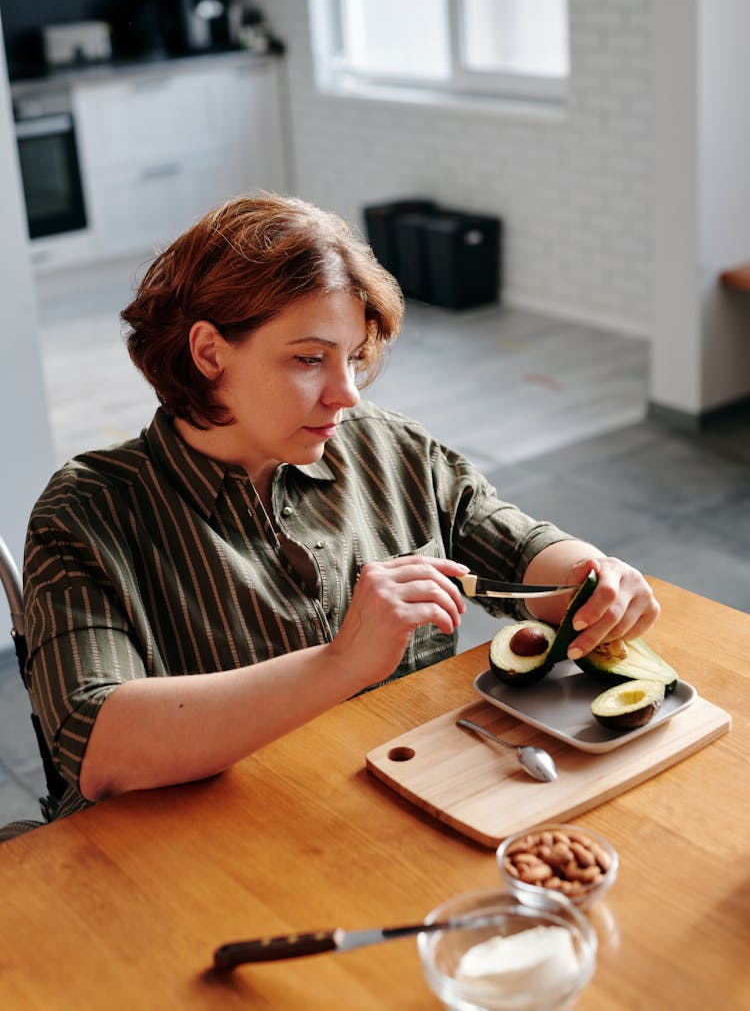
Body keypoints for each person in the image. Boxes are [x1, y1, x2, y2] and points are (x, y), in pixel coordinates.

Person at [23, 193, 659, 821]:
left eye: (353, 358)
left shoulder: (387, 446)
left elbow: (511, 547)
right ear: (209, 352)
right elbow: (99, 747)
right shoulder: (87, 513)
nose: (347, 394)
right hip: (205, 863)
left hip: (387, 814)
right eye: (309, 359)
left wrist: (593, 580)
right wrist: (340, 663)